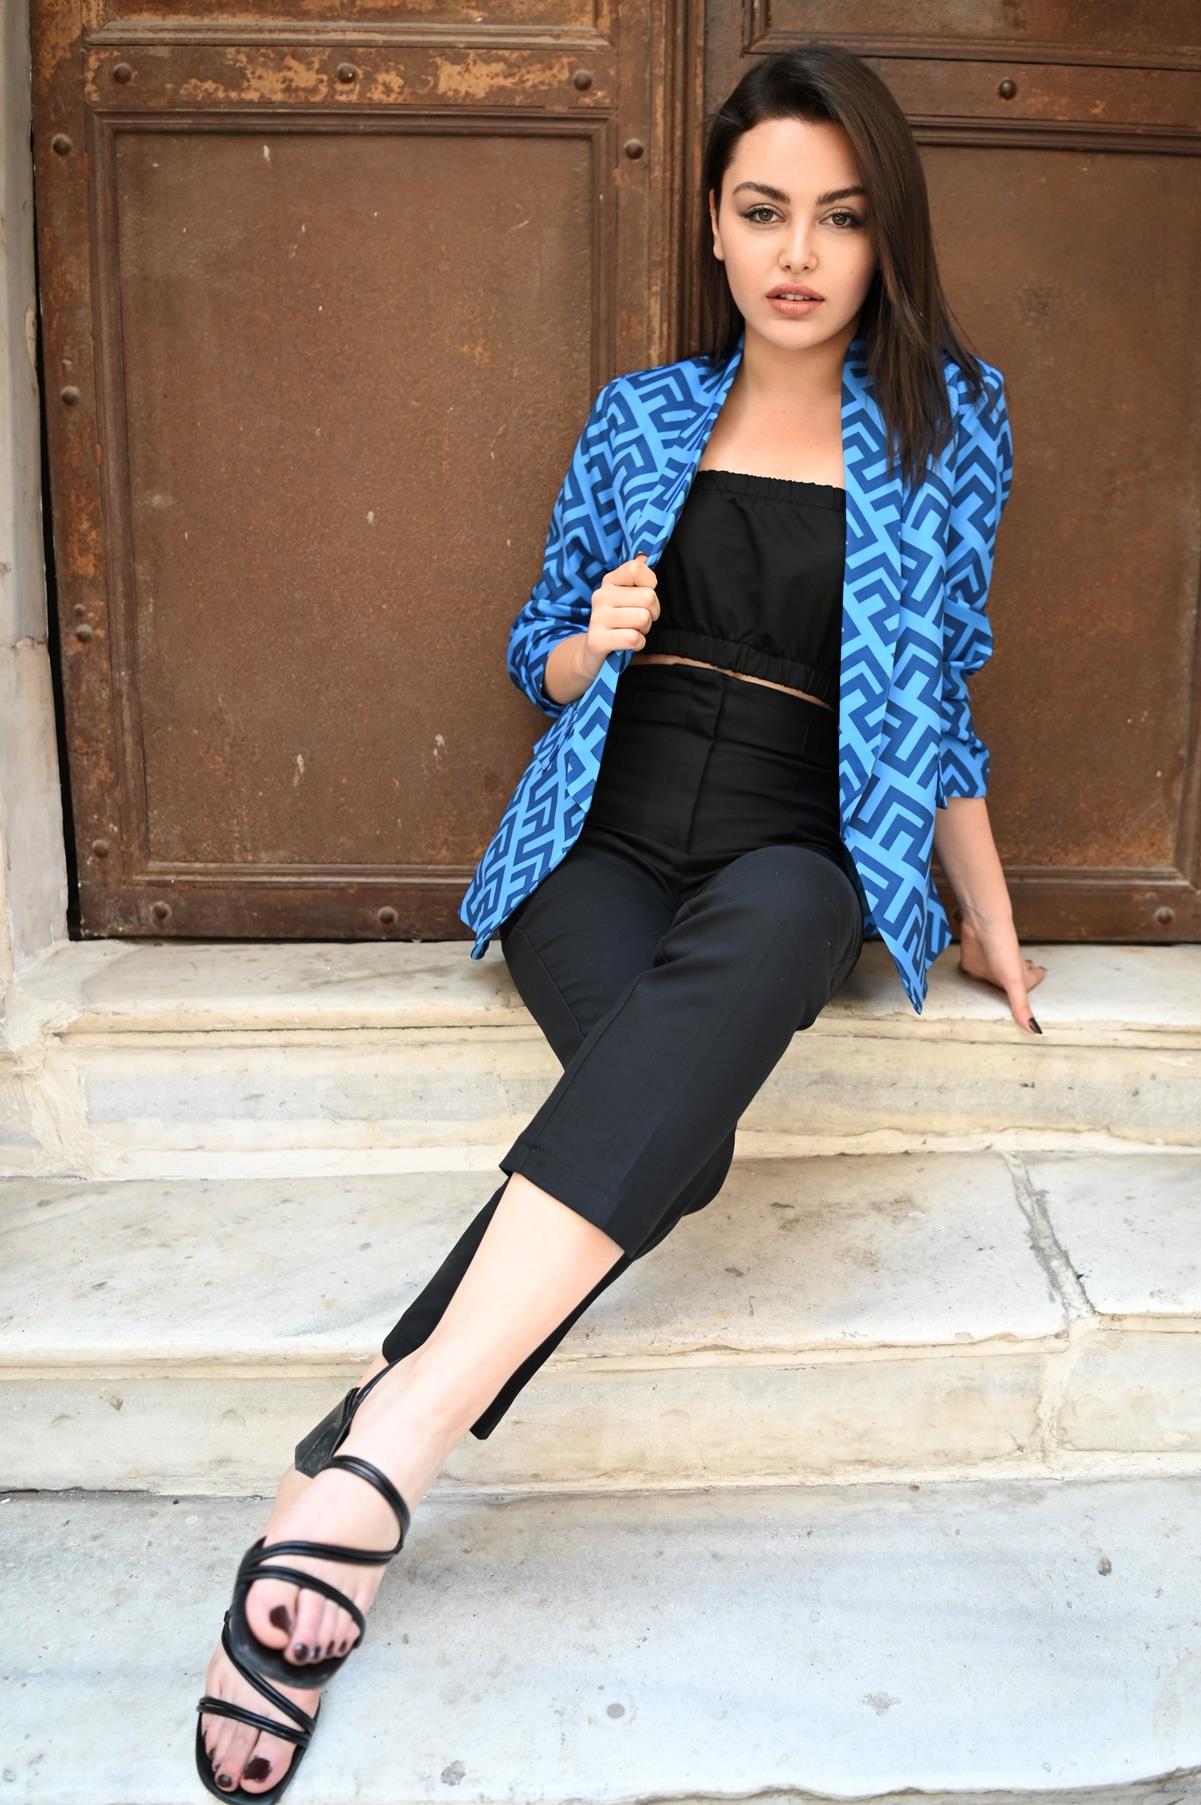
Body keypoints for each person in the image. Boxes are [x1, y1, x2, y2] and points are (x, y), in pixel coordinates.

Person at [195, 40, 1046, 1801]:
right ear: (712, 226)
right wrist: (593, 636)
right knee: (673, 1139)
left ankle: (375, 1452)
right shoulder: (642, 413)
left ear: (886, 237)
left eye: (839, 217)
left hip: (794, 841)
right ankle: (370, 1456)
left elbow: (946, 689)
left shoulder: (948, 426)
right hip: (598, 838)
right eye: (762, 211)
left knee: (765, 942)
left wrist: (986, 911)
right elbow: (534, 649)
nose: (796, 253)